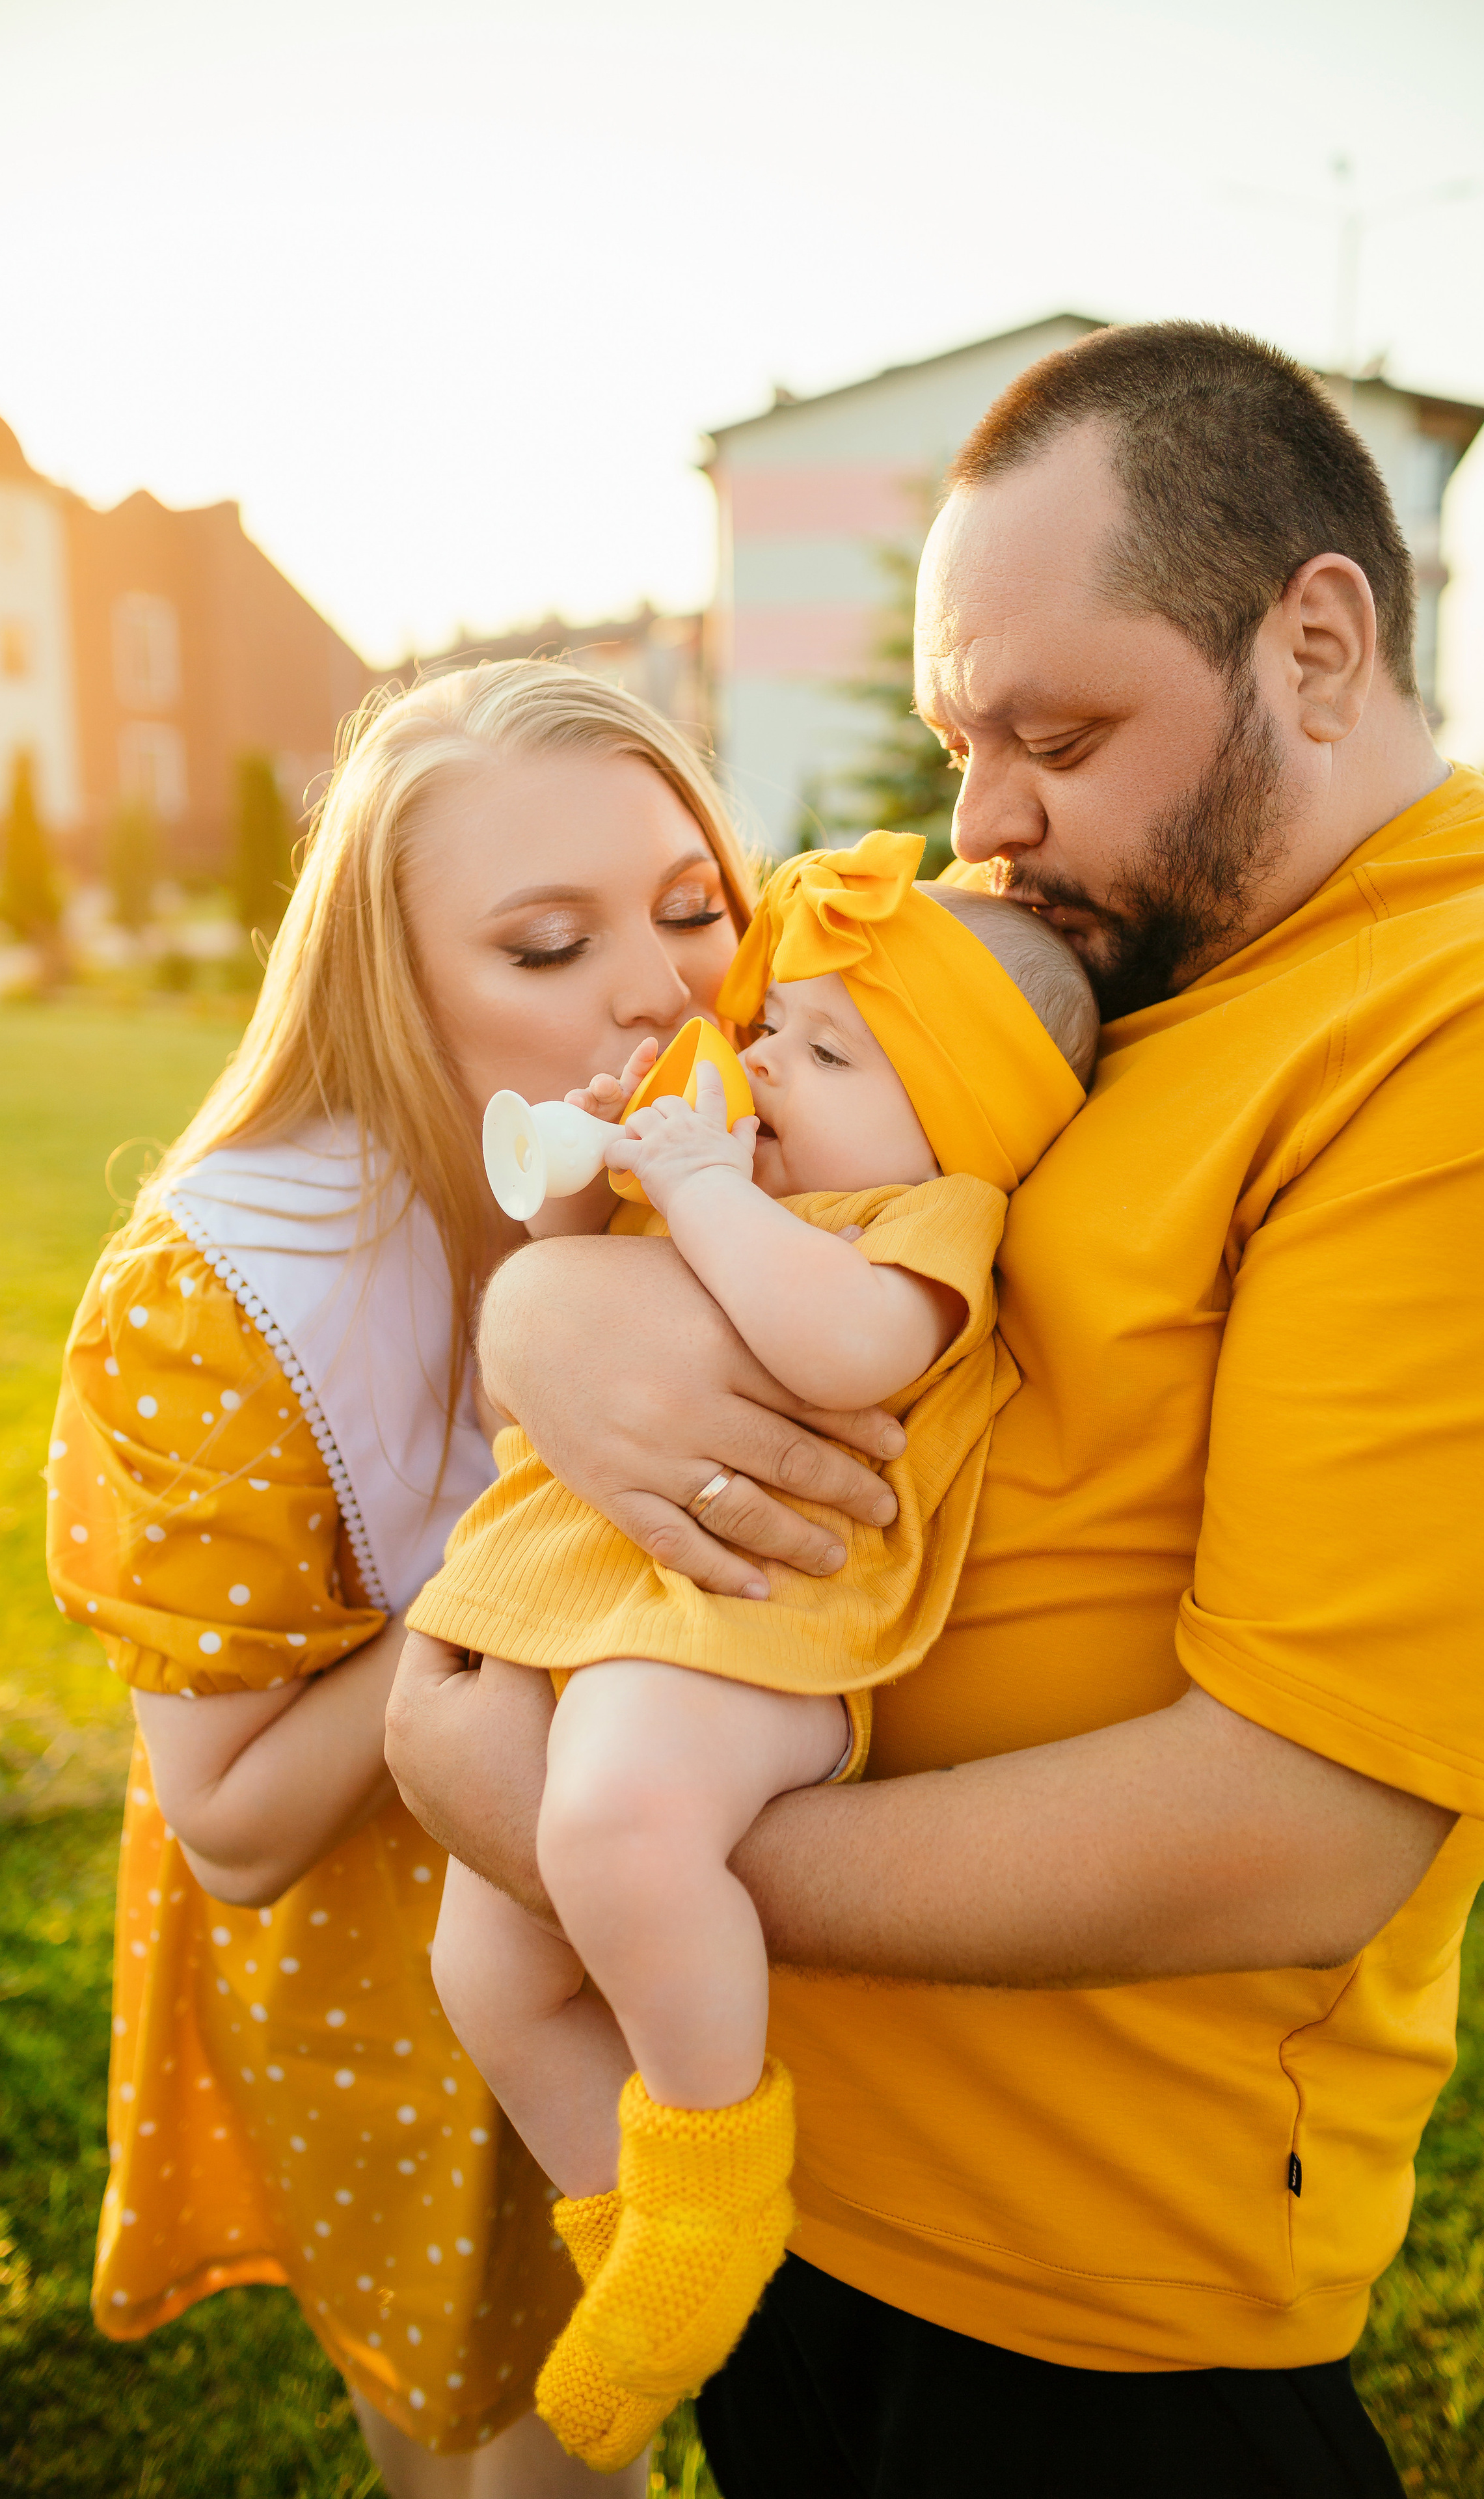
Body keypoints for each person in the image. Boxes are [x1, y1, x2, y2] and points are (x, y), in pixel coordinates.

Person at [388, 323, 1484, 2499]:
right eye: (967, 733)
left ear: (1319, 647)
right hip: (777, 2165)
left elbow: (1305, 1824)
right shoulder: (1038, 921)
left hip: (1078, 2312)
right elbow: (663, 1132)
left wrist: (616, 1837)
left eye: (1059, 730)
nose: (980, 818)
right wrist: (540, 1332)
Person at [44, 659, 785, 2497]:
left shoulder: (757, 1174)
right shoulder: (217, 1294)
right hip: (375, 1967)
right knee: (475, 2425)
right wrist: (537, 1520)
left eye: (695, 911)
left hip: (665, 1924)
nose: (660, 988)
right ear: (394, 984)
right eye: (545, 947)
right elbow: (231, 1822)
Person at [407, 831, 1096, 2468]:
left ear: (956, 1121)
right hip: (620, 1617)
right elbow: (556, 1272)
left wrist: (707, 1186)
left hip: (761, 1641)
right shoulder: (740, 1187)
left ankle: (713, 2164)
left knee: (605, 1829)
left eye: (828, 1049)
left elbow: (840, 1350)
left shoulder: (919, 1227)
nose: (765, 1054)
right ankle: (646, 2240)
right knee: (485, 1967)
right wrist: (595, 1164)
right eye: (773, 1025)